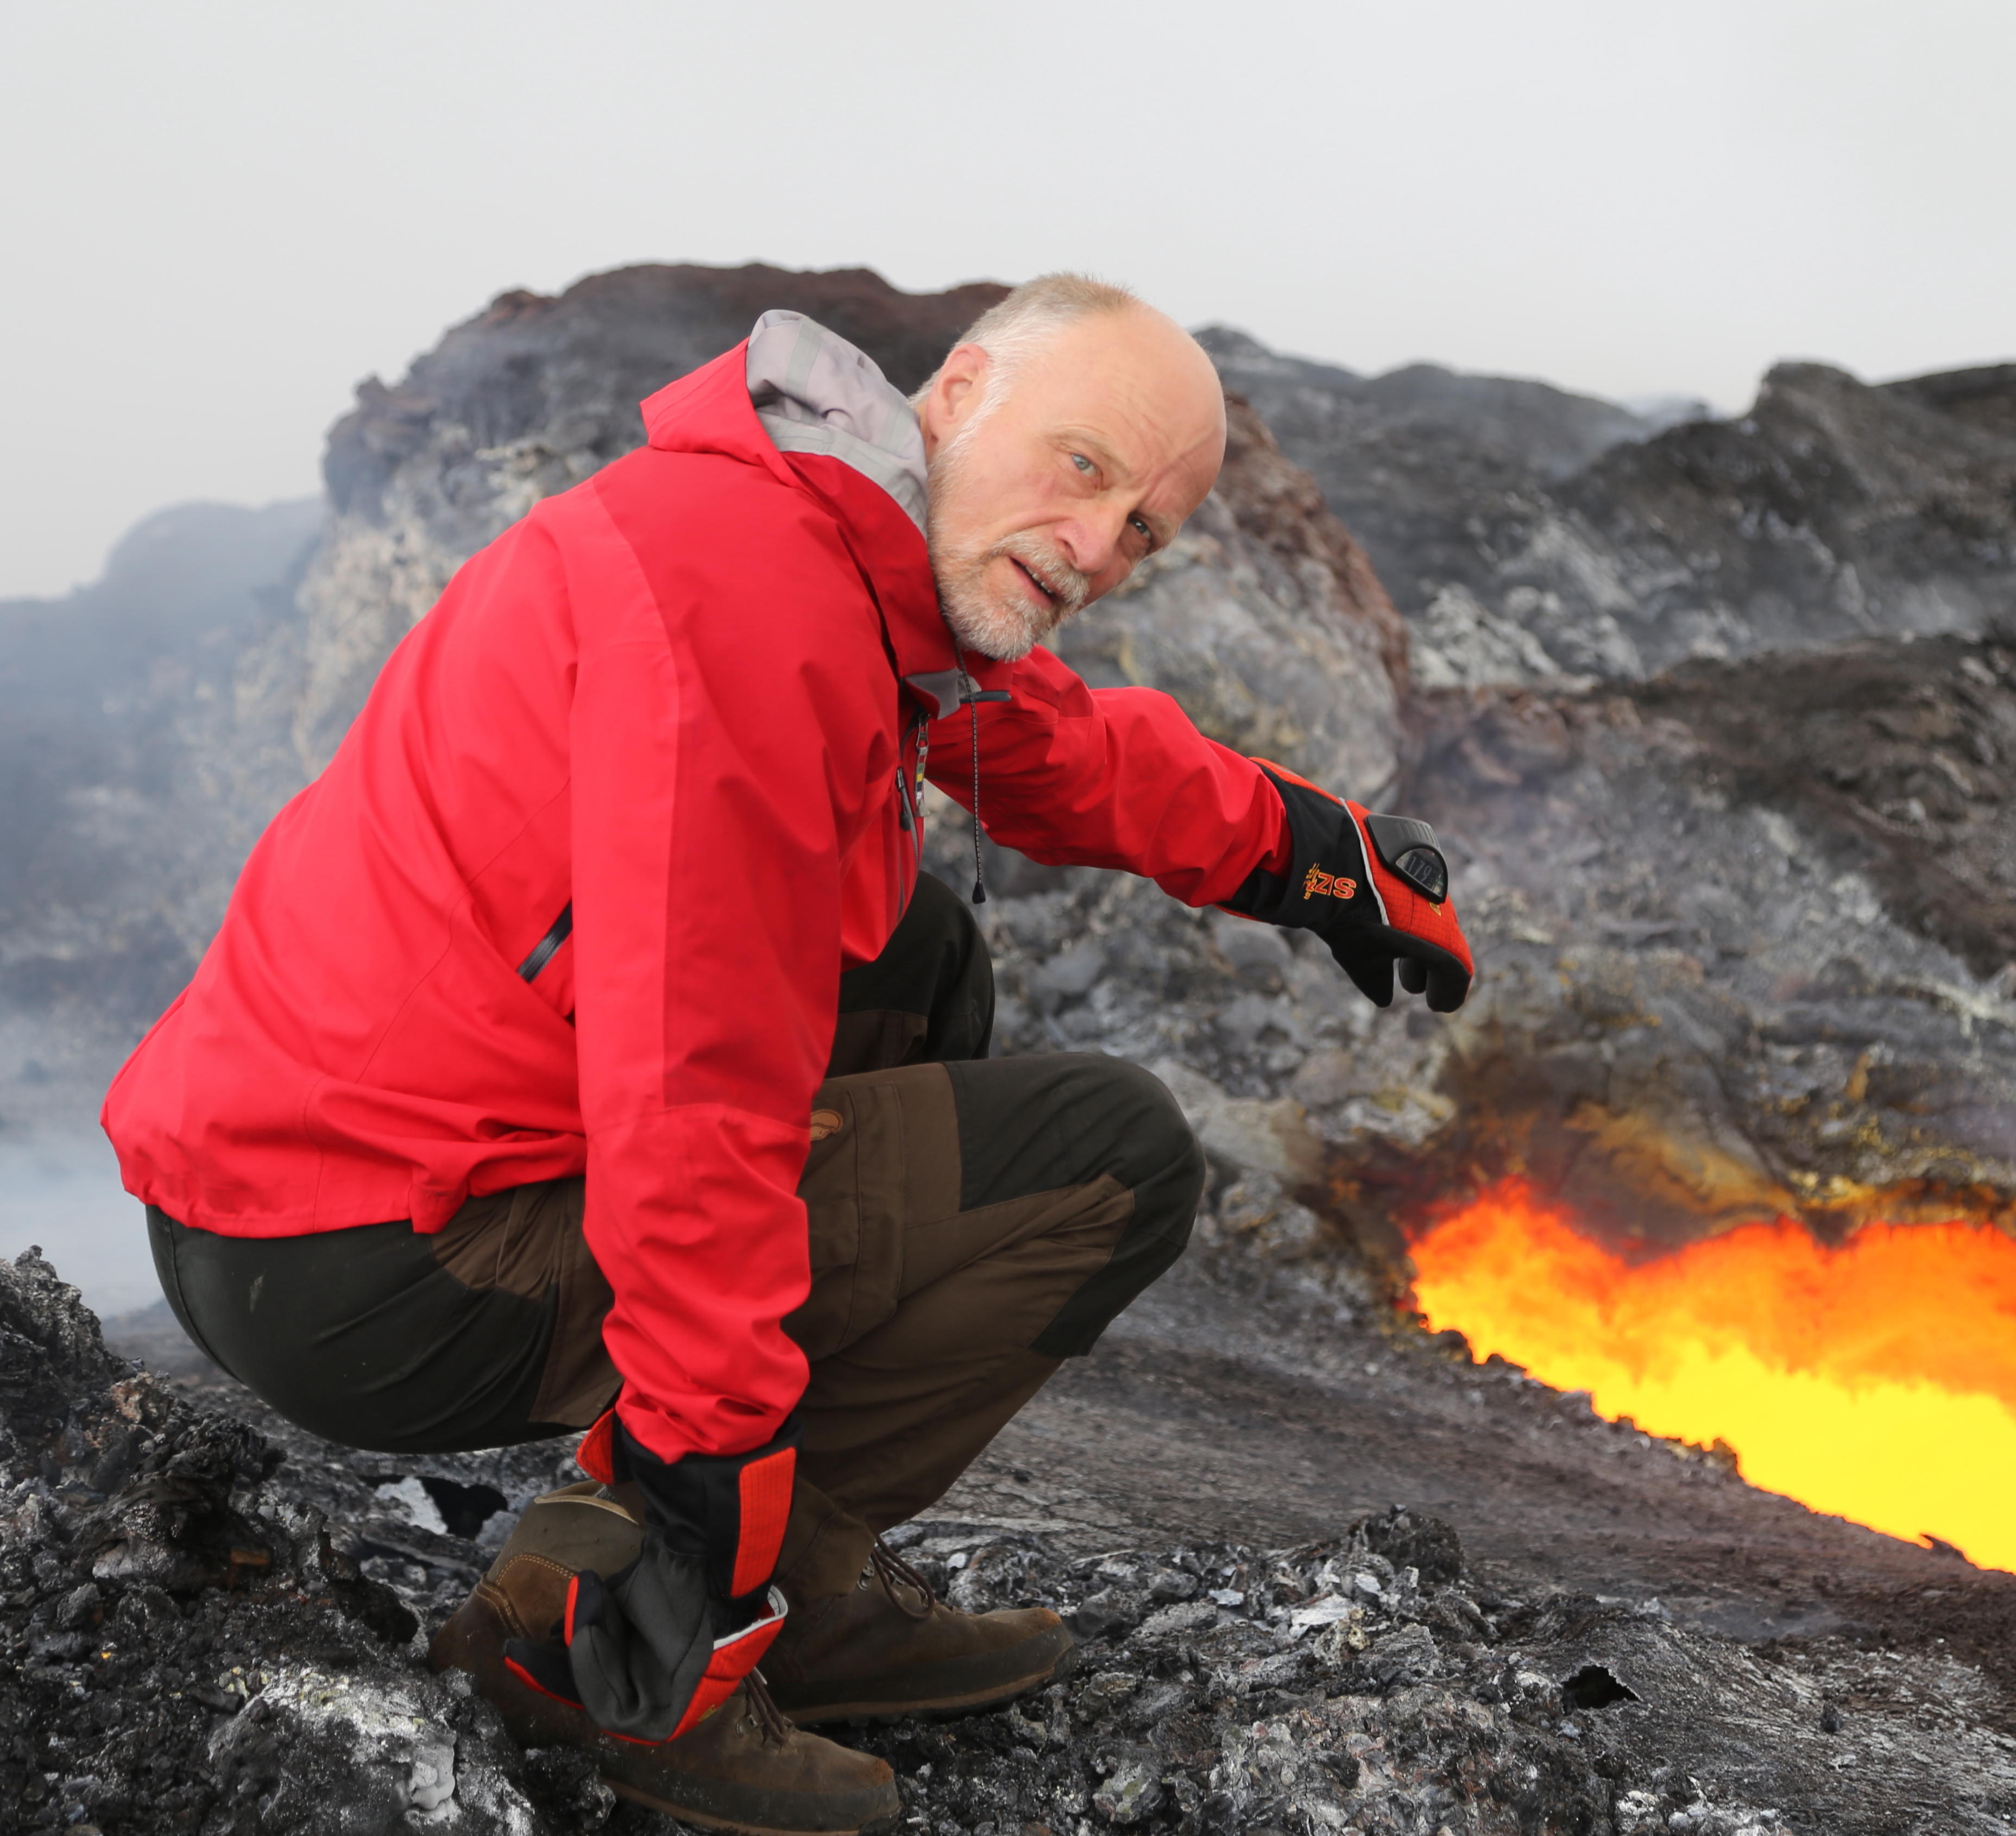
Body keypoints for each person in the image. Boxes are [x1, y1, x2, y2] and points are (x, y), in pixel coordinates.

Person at [103, 274, 1477, 1834]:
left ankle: (807, 1580)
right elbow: (691, 1098)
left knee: (919, 957)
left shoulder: (811, 515)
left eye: (1147, 530)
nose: (1101, 548)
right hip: (381, 1268)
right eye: (1086, 468)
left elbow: (1038, 743)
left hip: (293, 1183)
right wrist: (705, 1473)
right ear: (960, 394)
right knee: (1113, 1159)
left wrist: (1309, 853)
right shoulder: (750, 621)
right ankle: (600, 1635)